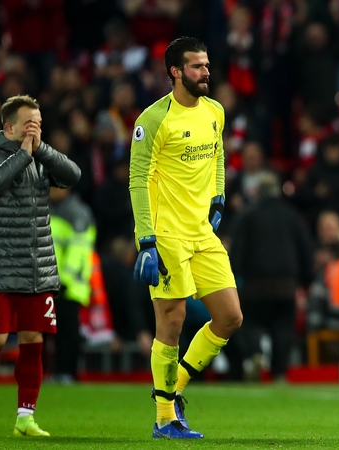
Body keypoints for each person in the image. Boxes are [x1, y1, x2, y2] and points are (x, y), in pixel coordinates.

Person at [129, 36, 243, 439]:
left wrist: (218, 195)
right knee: (172, 319)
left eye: (207, 65)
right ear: (175, 72)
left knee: (230, 317)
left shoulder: (215, 111)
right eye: (196, 66)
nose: (205, 72)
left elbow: (218, 154)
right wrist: (146, 240)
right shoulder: (153, 120)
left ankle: (171, 389)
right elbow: (137, 181)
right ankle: (165, 418)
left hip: (201, 232)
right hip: (166, 235)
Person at [0, 95, 81, 437]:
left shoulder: (41, 159)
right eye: (29, 124)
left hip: (35, 264)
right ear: (8, 126)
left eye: (39, 124)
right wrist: (24, 154)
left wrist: (38, 150)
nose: (34, 130)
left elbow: (73, 175)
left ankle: (25, 418)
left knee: (32, 338)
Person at [229, 171, 313, 381]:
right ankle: (279, 373)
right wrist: (306, 281)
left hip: (254, 284)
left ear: (257, 192)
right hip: (285, 284)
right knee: (283, 328)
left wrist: (235, 276)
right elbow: (305, 248)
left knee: (251, 323)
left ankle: (255, 352)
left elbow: (236, 249)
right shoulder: (291, 215)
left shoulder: (247, 215)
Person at [49, 185, 97, 383]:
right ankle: (60, 372)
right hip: (54, 283)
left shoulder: (76, 212)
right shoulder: (53, 209)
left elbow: (79, 251)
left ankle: (69, 372)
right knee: (56, 334)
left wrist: (64, 280)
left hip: (69, 285)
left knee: (68, 333)